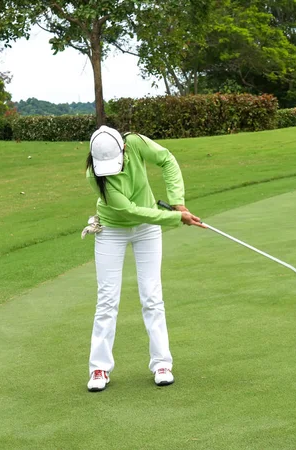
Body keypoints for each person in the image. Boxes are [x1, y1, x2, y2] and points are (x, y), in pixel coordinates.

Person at [83, 125, 205, 392]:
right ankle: (99, 368)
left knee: (152, 295)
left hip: (147, 231)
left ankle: (162, 363)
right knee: (107, 300)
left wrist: (178, 201)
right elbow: (132, 212)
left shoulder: (135, 143)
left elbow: (167, 160)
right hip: (112, 230)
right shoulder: (95, 175)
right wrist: (176, 218)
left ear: (123, 149)